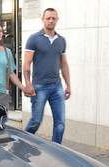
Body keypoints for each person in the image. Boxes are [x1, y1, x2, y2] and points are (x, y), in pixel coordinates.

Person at [22, 8, 71, 144]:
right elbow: (26, 63)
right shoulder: (34, 39)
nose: (51, 21)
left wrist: (68, 86)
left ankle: (57, 149)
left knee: (60, 123)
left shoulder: (61, 41)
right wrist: (28, 84)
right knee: (36, 121)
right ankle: (22, 143)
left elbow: (64, 64)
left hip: (57, 86)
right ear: (43, 19)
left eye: (53, 18)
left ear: (57, 20)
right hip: (39, 86)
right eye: (48, 18)